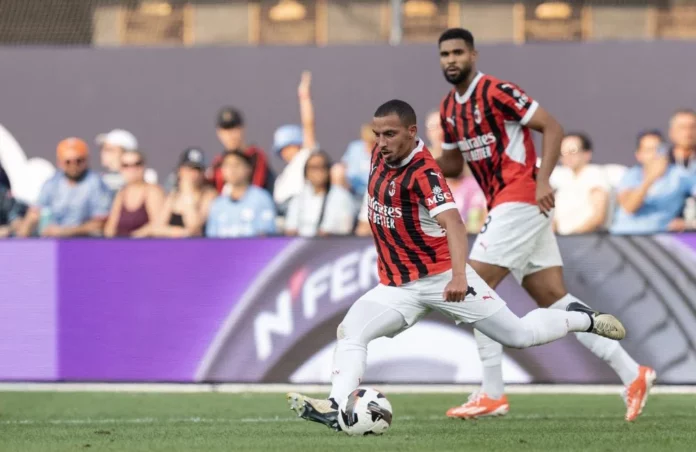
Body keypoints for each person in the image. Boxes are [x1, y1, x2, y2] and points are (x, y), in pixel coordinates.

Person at [286, 99, 626, 431]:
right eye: (378, 134)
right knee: (351, 331)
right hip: (398, 287)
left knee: (519, 336)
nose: (382, 142)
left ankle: (583, 317)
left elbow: (455, 224)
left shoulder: (424, 172)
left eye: (390, 134)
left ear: (412, 131)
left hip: (442, 277)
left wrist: (460, 275)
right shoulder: (378, 154)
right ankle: (337, 405)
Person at [435, 28, 652, 422]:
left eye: (457, 52)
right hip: (506, 204)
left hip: (522, 197)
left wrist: (541, 180)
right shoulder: (449, 109)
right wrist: (428, 157)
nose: (451, 60)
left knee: (473, 290)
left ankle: (492, 393)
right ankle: (632, 373)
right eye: (444, 54)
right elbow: (451, 165)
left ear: (473, 54)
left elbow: (552, 126)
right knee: (553, 296)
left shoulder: (496, 91)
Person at [16, 138, 112, 238]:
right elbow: (34, 213)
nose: (73, 165)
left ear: (86, 160)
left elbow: (99, 225)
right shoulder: (52, 182)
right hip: (52, 243)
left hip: (85, 244)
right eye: (68, 162)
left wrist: (65, 232)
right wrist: (22, 237)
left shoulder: (96, 184)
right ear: (60, 162)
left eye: (78, 161)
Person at [610, 130, 696, 234]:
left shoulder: (680, 175)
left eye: (659, 149)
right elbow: (629, 207)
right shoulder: (631, 175)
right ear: (639, 155)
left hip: (657, 240)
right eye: (649, 150)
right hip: (622, 237)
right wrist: (651, 178)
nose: (655, 154)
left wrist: (689, 223)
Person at [284, 150, 356, 237]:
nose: (319, 171)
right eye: (313, 167)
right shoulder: (298, 198)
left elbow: (344, 231)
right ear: (306, 173)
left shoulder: (342, 197)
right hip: (300, 245)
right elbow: (290, 229)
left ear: (329, 170)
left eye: (323, 167)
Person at [205, 150, 277, 238]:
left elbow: (266, 235)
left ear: (248, 169)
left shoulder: (262, 198)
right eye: (227, 165)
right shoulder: (217, 205)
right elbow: (211, 240)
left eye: (236, 165)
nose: (232, 170)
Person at [550, 133, 611, 235]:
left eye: (572, 151)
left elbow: (598, 216)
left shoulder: (595, 175)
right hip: (561, 241)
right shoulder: (563, 178)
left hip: (585, 241)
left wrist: (574, 237)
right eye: (562, 152)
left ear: (587, 154)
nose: (567, 156)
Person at [208, 106, 275, 194]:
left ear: (242, 129)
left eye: (234, 129)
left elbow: (258, 188)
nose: (230, 135)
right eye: (226, 130)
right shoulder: (217, 163)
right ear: (219, 133)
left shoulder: (255, 156)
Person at [152, 148, 216, 238]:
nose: (193, 174)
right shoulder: (174, 196)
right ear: (180, 171)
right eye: (189, 169)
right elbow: (157, 228)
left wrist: (188, 194)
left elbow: (194, 226)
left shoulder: (208, 195)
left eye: (197, 169)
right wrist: (184, 232)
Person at [104, 150, 165, 238]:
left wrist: (133, 238)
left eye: (137, 164)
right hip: (121, 247)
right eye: (126, 165)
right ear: (120, 168)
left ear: (143, 166)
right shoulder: (121, 194)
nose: (132, 169)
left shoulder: (153, 191)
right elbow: (110, 227)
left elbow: (158, 225)